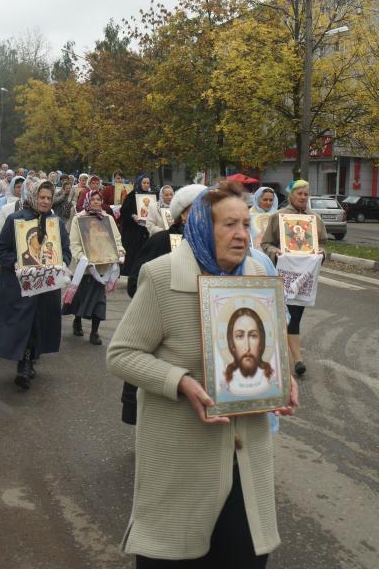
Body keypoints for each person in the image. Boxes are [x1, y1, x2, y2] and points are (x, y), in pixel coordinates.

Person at [107, 181, 298, 566]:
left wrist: (282, 378)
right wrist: (180, 382)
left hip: (246, 456)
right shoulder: (162, 276)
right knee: (179, 558)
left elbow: (270, 345)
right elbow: (122, 354)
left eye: (246, 224)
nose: (242, 234)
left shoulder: (257, 273)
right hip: (183, 461)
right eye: (229, 224)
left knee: (242, 556)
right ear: (200, 226)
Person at [122, 183, 206, 425]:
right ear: (182, 214)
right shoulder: (161, 241)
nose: (204, 216)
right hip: (164, 332)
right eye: (196, 210)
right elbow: (135, 283)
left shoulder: (217, 246)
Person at [0, 179, 71, 389]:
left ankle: (30, 358)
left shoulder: (55, 223)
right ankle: (24, 364)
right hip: (20, 285)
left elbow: (66, 250)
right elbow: (1, 249)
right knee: (23, 322)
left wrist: (62, 262)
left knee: (39, 322)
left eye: (49, 198)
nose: (45, 201)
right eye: (42, 197)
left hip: (46, 286)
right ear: (33, 196)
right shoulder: (16, 219)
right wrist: (15, 262)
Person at [261, 179, 327, 377]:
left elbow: (323, 244)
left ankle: (283, 354)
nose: (303, 197)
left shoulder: (314, 219)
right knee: (289, 315)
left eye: (306, 194)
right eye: (299, 193)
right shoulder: (279, 216)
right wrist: (276, 253)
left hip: (306, 276)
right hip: (284, 275)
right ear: (291, 195)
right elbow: (266, 244)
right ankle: (297, 359)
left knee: (296, 314)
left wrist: (322, 252)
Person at [64, 189, 124, 345]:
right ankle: (77, 320)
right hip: (84, 267)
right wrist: (82, 257)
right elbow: (74, 243)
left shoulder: (107, 218)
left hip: (102, 267)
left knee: (99, 300)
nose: (96, 202)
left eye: (98, 199)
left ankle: (94, 332)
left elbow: (116, 239)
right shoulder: (79, 219)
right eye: (93, 199)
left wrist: (120, 252)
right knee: (81, 297)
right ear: (87, 201)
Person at [119, 173, 152, 276]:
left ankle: (140, 273)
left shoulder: (151, 196)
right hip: (133, 231)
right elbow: (124, 211)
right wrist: (133, 216)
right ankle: (130, 274)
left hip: (145, 230)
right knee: (132, 253)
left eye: (148, 183)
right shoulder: (132, 195)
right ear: (139, 183)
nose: (146, 185)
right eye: (144, 183)